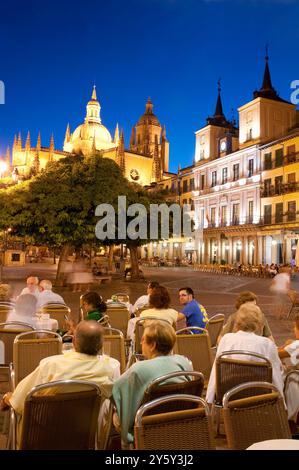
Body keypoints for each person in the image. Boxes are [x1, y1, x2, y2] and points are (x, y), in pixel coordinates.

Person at [0, 321, 115, 444]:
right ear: (101, 345)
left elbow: (19, 400)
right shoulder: (107, 371)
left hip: (39, 438)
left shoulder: (51, 365)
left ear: (74, 342)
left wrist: (7, 399)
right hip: (79, 441)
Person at [112, 320, 193, 445]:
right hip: (179, 423)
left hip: (147, 426)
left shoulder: (138, 369)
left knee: (114, 413)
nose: (140, 342)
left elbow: (118, 394)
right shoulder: (184, 362)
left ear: (153, 345)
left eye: (143, 339)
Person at [206, 303, 284, 404]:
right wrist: (282, 403)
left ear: (237, 322)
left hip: (229, 396)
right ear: (258, 322)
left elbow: (215, 372)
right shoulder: (267, 344)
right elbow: (276, 377)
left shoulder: (226, 339)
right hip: (258, 398)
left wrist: (209, 399)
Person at [278, 315, 299, 429]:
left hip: (295, 377)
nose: (293, 329)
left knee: (288, 377)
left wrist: (288, 345)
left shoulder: (296, 345)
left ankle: (290, 419)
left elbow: (277, 353)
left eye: (294, 327)